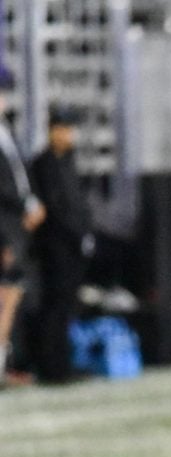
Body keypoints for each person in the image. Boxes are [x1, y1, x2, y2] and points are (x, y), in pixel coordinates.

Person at [30, 105, 93, 384]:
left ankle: (64, 363)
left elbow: (78, 203)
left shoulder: (68, 160)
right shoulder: (44, 163)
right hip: (55, 245)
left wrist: (84, 231)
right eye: (64, 128)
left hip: (72, 244)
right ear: (53, 130)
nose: (69, 134)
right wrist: (76, 232)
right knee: (55, 305)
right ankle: (52, 368)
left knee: (68, 305)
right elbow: (56, 208)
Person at [0, 77, 45, 385]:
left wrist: (31, 204)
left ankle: (5, 364)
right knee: (4, 300)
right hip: (4, 228)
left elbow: (18, 178)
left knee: (11, 298)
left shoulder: (6, 132)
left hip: (15, 226)